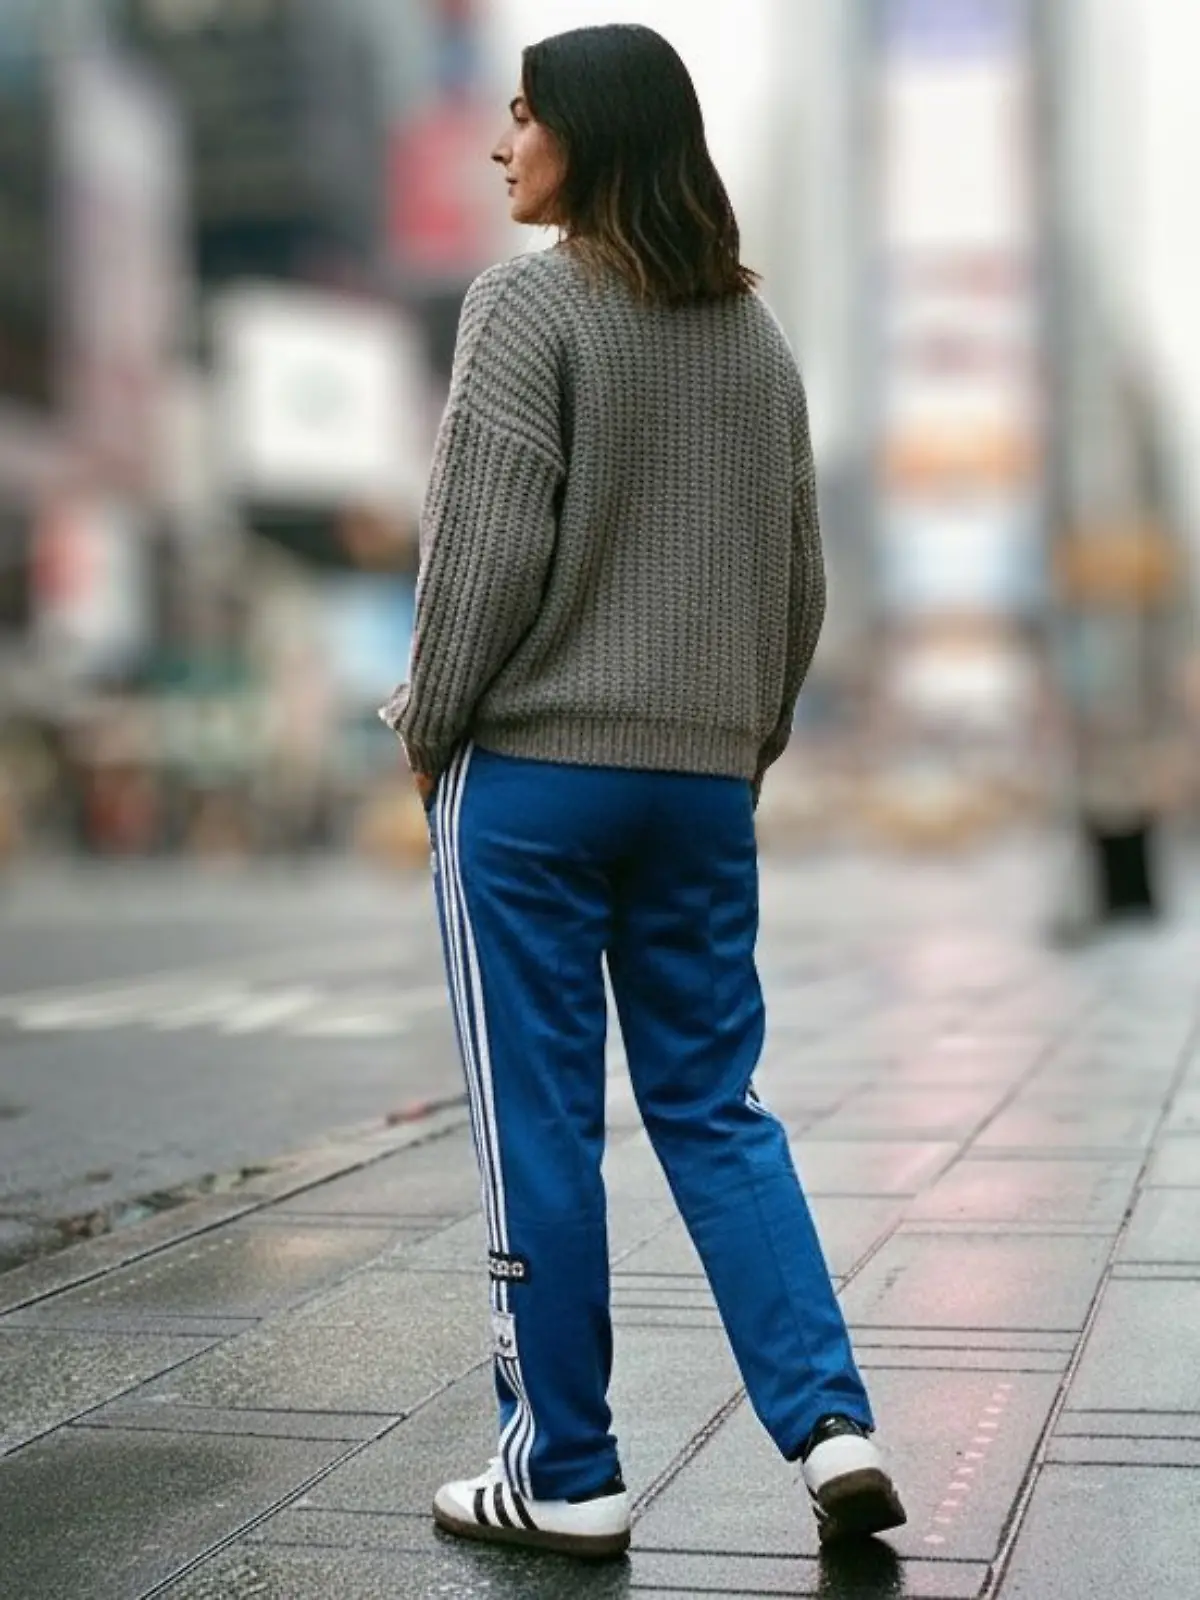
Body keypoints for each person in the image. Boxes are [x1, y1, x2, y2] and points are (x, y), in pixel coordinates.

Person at [380, 22, 906, 1560]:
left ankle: (566, 1472)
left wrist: (430, 721)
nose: (498, 143)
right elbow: (800, 588)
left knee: (537, 1121)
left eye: (524, 115)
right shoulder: (758, 341)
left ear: (590, 136)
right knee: (716, 1106)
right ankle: (832, 1429)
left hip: (535, 781)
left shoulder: (524, 307)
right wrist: (738, 743)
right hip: (698, 787)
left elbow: (480, 555)